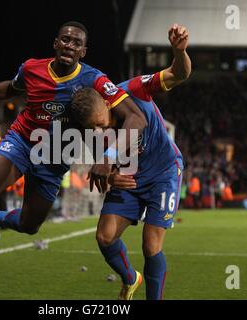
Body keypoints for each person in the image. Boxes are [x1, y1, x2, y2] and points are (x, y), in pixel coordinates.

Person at [0, 21, 146, 284]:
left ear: (83, 51)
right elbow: (11, 88)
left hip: (54, 158)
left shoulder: (94, 79)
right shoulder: (31, 68)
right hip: (22, 141)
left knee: (30, 225)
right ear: (55, 43)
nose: (69, 45)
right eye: (65, 39)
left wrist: (109, 158)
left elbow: (136, 118)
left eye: (76, 43)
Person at [70, 24, 191, 300]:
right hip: (131, 177)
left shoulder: (134, 90)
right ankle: (130, 279)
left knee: (151, 245)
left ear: (106, 101)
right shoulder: (93, 132)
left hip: (164, 172)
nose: (99, 132)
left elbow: (179, 74)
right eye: (93, 129)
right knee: (105, 237)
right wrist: (110, 177)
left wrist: (179, 51)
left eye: (100, 123)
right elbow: (104, 167)